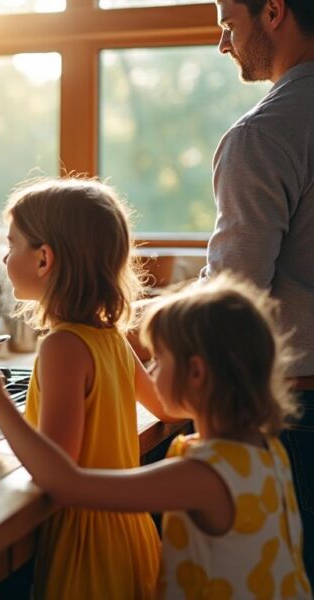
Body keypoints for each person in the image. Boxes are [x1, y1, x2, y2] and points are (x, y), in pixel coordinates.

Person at [0, 274, 311, 599]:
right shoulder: (267, 451)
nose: (151, 370)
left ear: (196, 373)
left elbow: (66, 485)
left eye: (158, 359)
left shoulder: (204, 475)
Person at [0, 178, 171, 599]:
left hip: (85, 548)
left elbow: (58, 470)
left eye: (12, 243)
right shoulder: (110, 336)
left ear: (43, 260)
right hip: (130, 535)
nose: (5, 256)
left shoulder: (62, 346)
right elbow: (168, 409)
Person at [204, 0, 314, 573]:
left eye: (228, 24)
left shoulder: (264, 135)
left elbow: (231, 296)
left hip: (302, 409)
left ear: (273, 12)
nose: (223, 44)